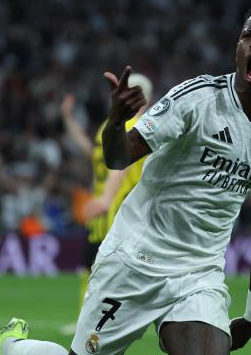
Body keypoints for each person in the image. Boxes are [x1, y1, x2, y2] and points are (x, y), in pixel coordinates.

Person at [0, 0, 251, 354]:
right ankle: (11, 347)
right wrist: (116, 122)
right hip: (134, 257)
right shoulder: (196, 100)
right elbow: (118, 158)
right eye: (248, 35)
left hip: (197, 273)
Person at [59, 75, 152, 333]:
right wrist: (68, 119)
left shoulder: (132, 126)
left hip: (119, 210)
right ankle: (87, 320)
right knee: (91, 267)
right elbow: (93, 152)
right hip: (103, 210)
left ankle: (103, 322)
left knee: (107, 271)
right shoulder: (112, 126)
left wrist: (106, 198)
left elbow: (120, 167)